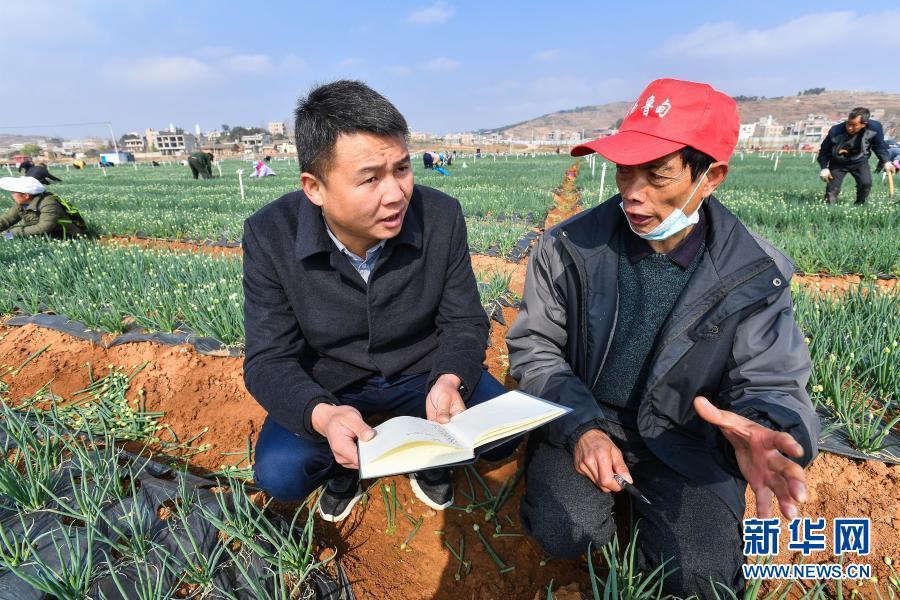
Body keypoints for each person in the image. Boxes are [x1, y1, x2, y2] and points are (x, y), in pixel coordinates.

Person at [506, 78, 819, 599]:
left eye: (658, 174)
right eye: (626, 168)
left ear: (711, 175)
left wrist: (765, 428)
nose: (633, 191)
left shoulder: (752, 273)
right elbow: (536, 347)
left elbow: (773, 377)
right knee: (565, 531)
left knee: (702, 578)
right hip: (590, 415)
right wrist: (581, 428)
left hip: (687, 439)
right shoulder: (569, 247)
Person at [244, 80, 516, 523]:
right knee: (282, 473)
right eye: (370, 178)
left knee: (500, 436)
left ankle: (431, 457)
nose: (395, 194)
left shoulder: (441, 216)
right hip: (333, 384)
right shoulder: (270, 234)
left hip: (421, 373)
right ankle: (343, 467)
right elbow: (268, 358)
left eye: (402, 169)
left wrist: (450, 379)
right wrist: (322, 414)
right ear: (314, 187)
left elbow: (464, 321)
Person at [817, 107, 895, 205]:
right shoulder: (835, 131)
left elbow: (879, 146)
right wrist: (824, 168)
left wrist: (886, 161)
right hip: (838, 162)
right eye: (848, 123)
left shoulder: (874, 128)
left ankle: (859, 205)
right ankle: (829, 208)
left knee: (865, 184)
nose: (849, 128)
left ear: (864, 124)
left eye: (854, 125)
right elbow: (824, 151)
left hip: (860, 161)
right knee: (832, 190)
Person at [0, 176, 87, 239]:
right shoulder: (21, 204)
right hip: (43, 235)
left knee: (10, 234)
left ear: (26, 195)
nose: (12, 195)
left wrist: (12, 233)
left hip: (65, 237)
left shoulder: (48, 204)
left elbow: (44, 227)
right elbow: (7, 219)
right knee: (8, 235)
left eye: (14, 193)